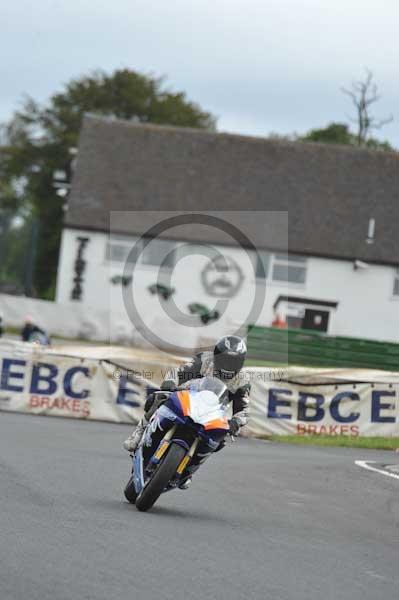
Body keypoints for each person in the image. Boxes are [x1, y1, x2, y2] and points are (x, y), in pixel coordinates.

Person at [123, 335, 251, 489]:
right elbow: (178, 372)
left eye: (234, 362)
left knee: (220, 439)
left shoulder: (242, 380)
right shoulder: (204, 360)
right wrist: (170, 383)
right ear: (217, 355)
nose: (229, 365)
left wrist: (236, 422)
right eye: (226, 360)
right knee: (157, 398)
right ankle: (138, 434)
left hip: (213, 412)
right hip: (188, 398)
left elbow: (244, 409)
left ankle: (190, 470)